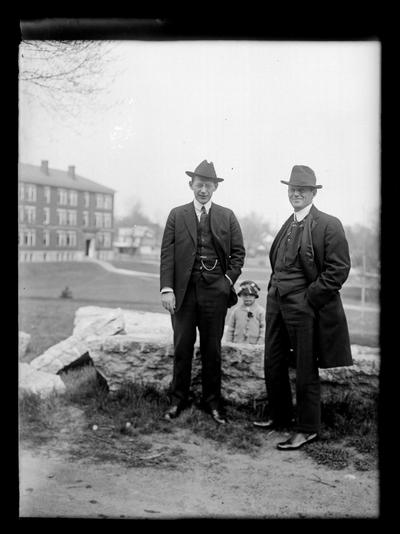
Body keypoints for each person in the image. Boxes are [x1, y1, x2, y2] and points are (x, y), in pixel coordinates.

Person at [253, 165, 353, 450]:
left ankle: (307, 427)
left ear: (313, 193)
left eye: (302, 189)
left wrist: (310, 297)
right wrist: (273, 290)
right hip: (277, 301)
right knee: (272, 360)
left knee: (305, 366)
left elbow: (339, 269)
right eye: (292, 189)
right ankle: (280, 416)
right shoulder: (288, 223)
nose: (296, 193)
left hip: (304, 305)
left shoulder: (328, 224)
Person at [160, 159, 245, 424]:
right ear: (191, 185)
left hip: (215, 294)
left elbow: (238, 254)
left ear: (215, 188)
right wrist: (167, 288)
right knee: (182, 347)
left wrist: (226, 283)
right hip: (183, 293)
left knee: (212, 349)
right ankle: (178, 400)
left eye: (208, 186)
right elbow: (167, 254)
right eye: (199, 185)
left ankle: (213, 403)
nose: (203, 191)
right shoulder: (177, 214)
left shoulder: (227, 216)